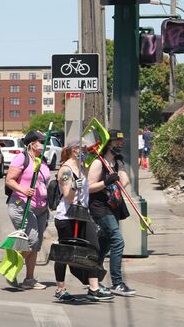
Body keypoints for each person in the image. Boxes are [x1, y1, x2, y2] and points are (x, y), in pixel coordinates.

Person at [53, 139, 114, 302]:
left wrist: (106, 182)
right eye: (83, 149)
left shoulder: (80, 167)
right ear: (74, 150)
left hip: (82, 214)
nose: (86, 151)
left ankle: (93, 288)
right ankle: (61, 289)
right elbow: (67, 196)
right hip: (67, 216)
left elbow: (88, 189)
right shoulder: (65, 169)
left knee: (93, 248)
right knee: (64, 253)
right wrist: (74, 185)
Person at [88, 129, 136, 296]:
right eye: (117, 142)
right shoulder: (98, 163)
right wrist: (105, 182)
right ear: (108, 143)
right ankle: (117, 283)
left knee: (105, 244)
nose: (120, 144)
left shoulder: (116, 162)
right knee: (117, 241)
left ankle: (93, 274)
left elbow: (125, 182)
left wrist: (120, 166)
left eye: (121, 142)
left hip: (114, 207)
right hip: (100, 208)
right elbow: (88, 187)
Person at [4, 131, 49, 290]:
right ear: (32, 143)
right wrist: (23, 190)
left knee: (36, 244)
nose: (44, 144)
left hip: (41, 208)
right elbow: (9, 180)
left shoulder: (42, 160)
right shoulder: (22, 158)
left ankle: (29, 279)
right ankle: (10, 268)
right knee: (32, 240)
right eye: (41, 141)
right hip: (22, 205)